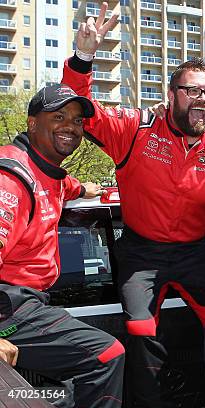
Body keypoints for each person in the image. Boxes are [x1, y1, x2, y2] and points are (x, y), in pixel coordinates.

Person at [61, 5, 205, 407]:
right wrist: (83, 57)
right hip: (141, 253)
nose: (203, 99)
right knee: (140, 330)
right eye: (193, 90)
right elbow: (80, 108)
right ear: (171, 96)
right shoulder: (135, 129)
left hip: (195, 252)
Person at [0, 83, 124, 407]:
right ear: (32, 122)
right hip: (8, 305)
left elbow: (65, 185)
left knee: (65, 389)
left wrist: (87, 189)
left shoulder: (49, 172)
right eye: (58, 116)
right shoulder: (11, 180)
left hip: (30, 302)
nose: (70, 125)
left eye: (77, 120)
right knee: (107, 354)